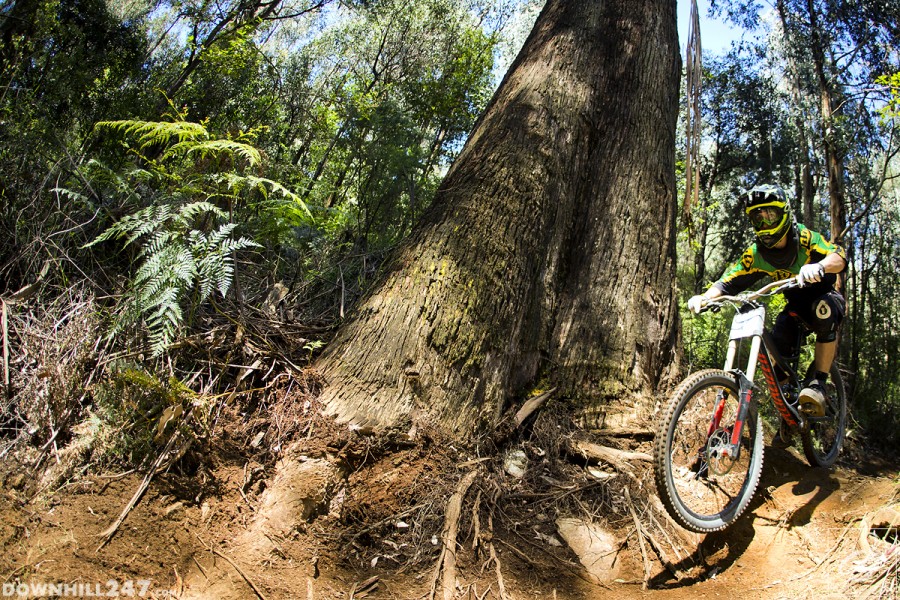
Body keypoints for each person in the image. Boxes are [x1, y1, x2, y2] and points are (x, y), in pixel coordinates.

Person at [687, 184, 847, 440]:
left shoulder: (805, 240)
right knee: (776, 351)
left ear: (783, 213)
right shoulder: (756, 254)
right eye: (757, 217)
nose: (764, 222)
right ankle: (790, 412)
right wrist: (705, 297)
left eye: (769, 215)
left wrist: (818, 266)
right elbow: (729, 280)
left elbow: (839, 257)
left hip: (822, 297)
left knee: (824, 311)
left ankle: (819, 382)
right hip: (793, 307)